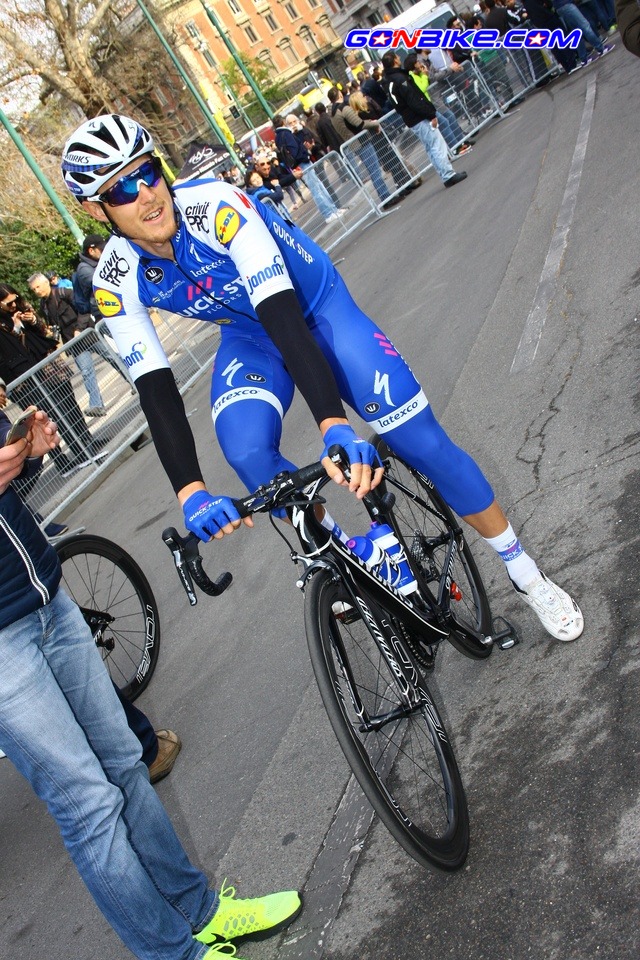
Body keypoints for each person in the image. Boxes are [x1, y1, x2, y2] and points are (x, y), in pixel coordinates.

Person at [60, 114, 584, 645]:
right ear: (95, 209)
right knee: (245, 450)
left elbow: (286, 320)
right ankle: (358, 555)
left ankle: (525, 574)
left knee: (424, 444)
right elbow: (156, 391)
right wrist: (190, 492)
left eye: (148, 172)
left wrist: (334, 425)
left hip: (316, 311)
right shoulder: (115, 280)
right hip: (249, 339)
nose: (146, 194)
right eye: (121, 189)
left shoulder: (217, 208)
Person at [0, 408, 302, 960]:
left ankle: (201, 914)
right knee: (89, 805)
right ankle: (174, 954)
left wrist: (26, 455)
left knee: (125, 765)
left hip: (48, 599)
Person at [0, 283, 104, 475]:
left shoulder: (23, 309)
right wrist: (15, 330)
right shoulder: (4, 324)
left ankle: (86, 444)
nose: (14, 305)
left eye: (15, 300)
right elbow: (11, 351)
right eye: (8, 303)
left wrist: (31, 321)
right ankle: (70, 458)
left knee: (68, 406)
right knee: (45, 417)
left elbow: (45, 331)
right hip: (23, 379)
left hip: (46, 365)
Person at [381, 53, 468, 189]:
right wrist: (430, 114)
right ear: (394, 61)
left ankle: (445, 174)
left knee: (431, 147)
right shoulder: (400, 79)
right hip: (419, 117)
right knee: (436, 145)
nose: (399, 58)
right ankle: (448, 175)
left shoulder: (389, 80)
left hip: (411, 119)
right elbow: (414, 99)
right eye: (397, 57)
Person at [28, 271, 107, 417]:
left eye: (38, 287)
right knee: (86, 372)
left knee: (112, 358)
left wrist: (79, 329)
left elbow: (83, 310)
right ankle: (97, 405)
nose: (36, 291)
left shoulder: (64, 292)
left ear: (46, 282)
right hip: (74, 343)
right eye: (33, 289)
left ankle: (135, 382)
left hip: (88, 334)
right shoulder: (43, 305)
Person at [326, 86, 399, 208]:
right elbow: (359, 124)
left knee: (373, 170)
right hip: (361, 141)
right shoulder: (343, 108)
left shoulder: (332, 114)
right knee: (375, 171)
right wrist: (374, 123)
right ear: (339, 95)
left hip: (353, 143)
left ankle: (385, 197)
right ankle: (386, 197)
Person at [272, 113, 343, 223]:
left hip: (298, 164)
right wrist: (305, 154)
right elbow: (295, 150)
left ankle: (332, 210)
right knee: (317, 189)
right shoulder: (286, 134)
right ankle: (329, 213)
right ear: (283, 122)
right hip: (302, 163)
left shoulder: (278, 137)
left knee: (318, 187)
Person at [403, 54, 474, 156]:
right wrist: (425, 75)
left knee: (449, 118)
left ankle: (460, 143)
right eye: (417, 62)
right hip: (429, 103)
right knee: (445, 122)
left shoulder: (420, 71)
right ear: (414, 65)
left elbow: (433, 75)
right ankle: (455, 147)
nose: (420, 63)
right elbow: (422, 87)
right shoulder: (412, 76)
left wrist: (424, 73)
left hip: (433, 100)